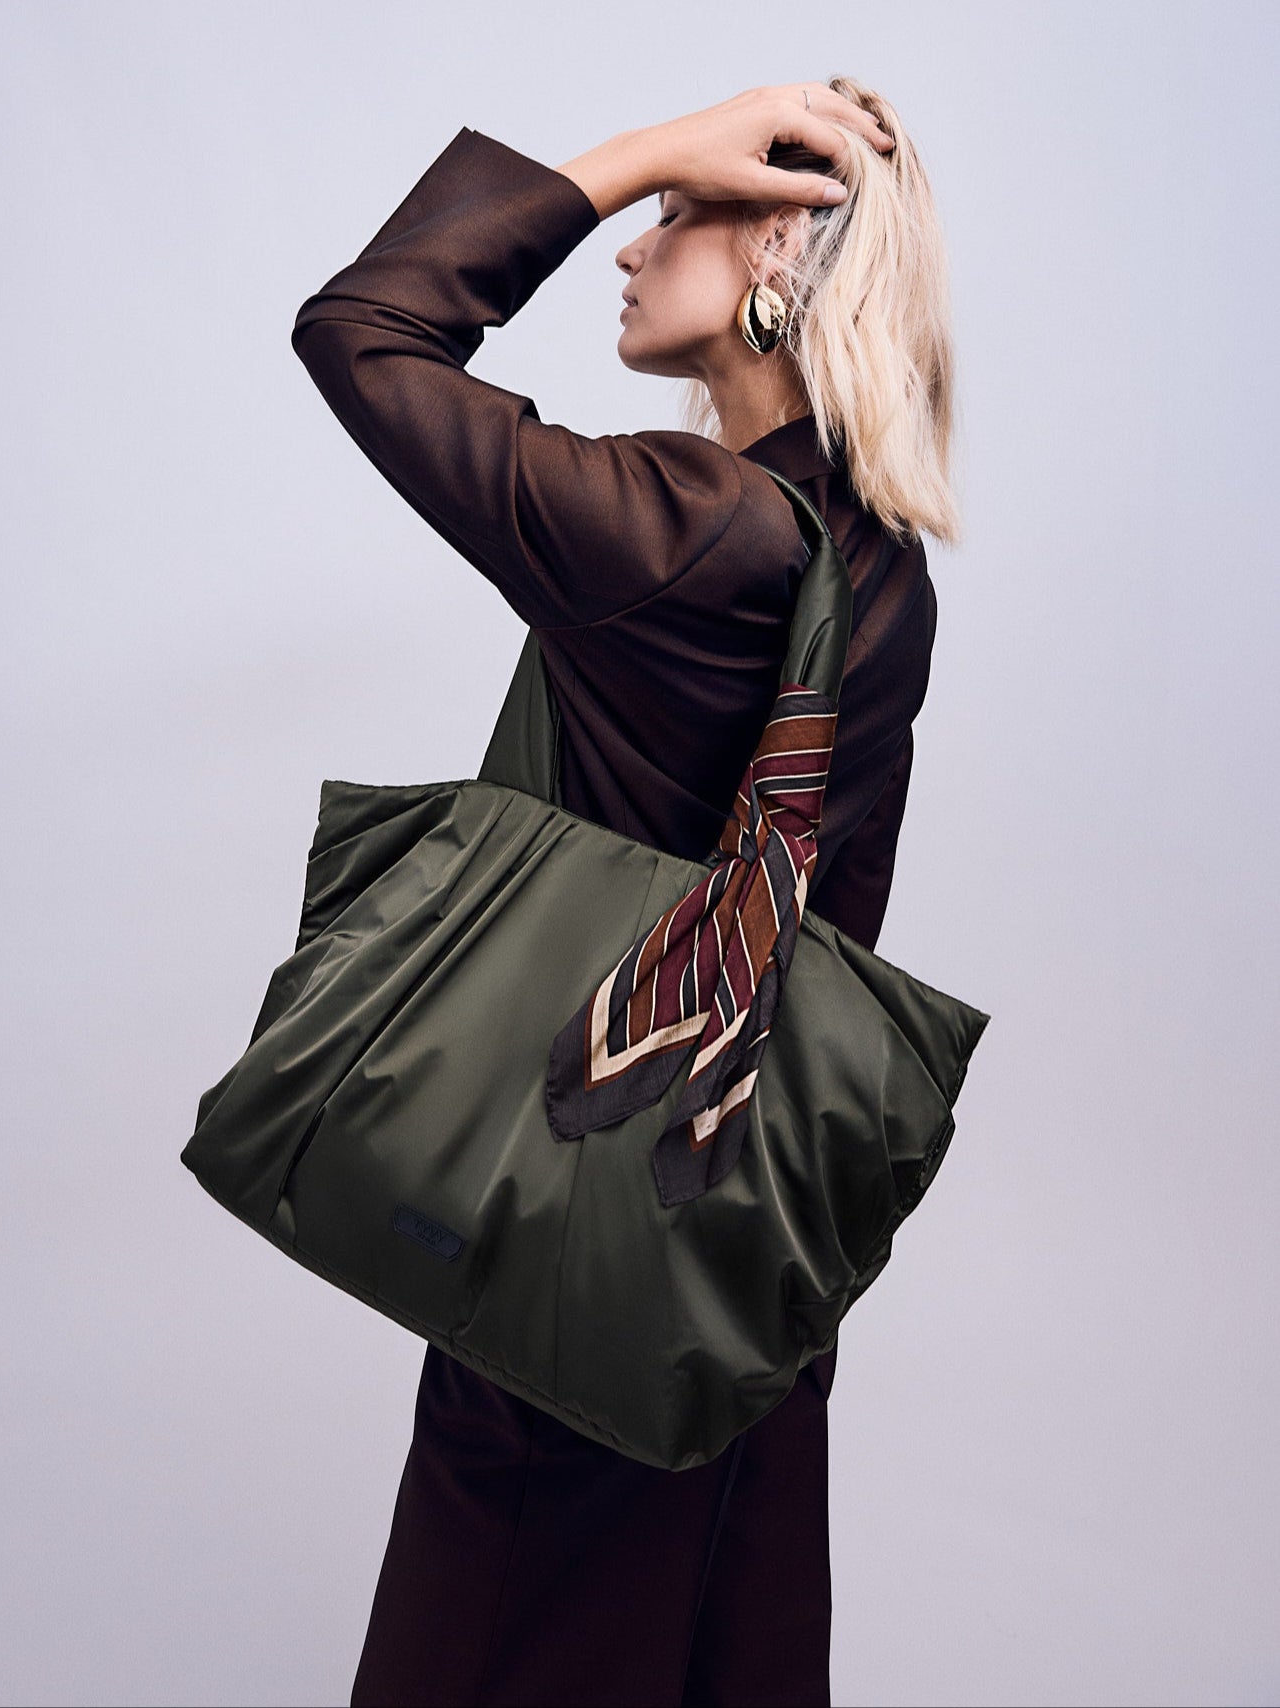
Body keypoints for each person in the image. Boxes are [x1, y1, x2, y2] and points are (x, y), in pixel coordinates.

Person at [290, 77, 959, 1708]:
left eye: (681, 214)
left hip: (571, 1239)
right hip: (732, 1260)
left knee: (510, 1631)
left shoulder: (682, 534)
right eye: (656, 198)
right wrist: (682, 174)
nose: (634, 244)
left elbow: (362, 329)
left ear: (780, 248)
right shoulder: (871, 558)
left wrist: (630, 155)